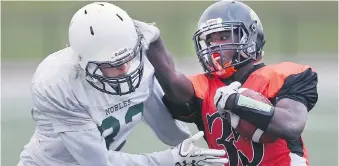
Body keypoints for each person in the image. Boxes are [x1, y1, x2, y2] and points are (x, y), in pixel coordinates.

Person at [17, 2, 229, 166]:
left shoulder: (136, 57)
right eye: (114, 63)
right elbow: (99, 162)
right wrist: (172, 159)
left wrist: (203, 149)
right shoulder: (59, 84)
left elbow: (170, 132)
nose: (126, 69)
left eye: (130, 57)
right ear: (86, 63)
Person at [135, 0, 318, 165]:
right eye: (209, 40)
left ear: (249, 37)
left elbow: (291, 124)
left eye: (223, 37)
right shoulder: (205, 86)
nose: (214, 46)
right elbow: (172, 82)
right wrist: (154, 42)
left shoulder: (281, 76)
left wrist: (237, 102)